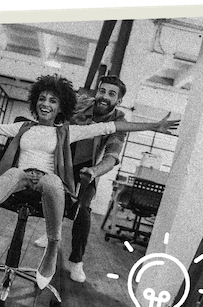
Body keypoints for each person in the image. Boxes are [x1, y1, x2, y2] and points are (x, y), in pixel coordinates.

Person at [0, 74, 179, 290]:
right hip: (25, 173)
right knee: (12, 174)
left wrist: (152, 126)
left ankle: (58, 250)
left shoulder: (76, 129)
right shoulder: (28, 125)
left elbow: (113, 132)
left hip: (69, 170)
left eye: (53, 101)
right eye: (42, 99)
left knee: (63, 190)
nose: (46, 104)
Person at [33, 75, 136, 283]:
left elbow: (112, 155)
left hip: (90, 168)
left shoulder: (119, 122)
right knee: (55, 196)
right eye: (102, 91)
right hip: (65, 158)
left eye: (111, 94)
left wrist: (95, 171)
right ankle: (53, 231)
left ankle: (76, 260)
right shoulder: (81, 103)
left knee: (83, 209)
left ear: (119, 100)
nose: (104, 96)